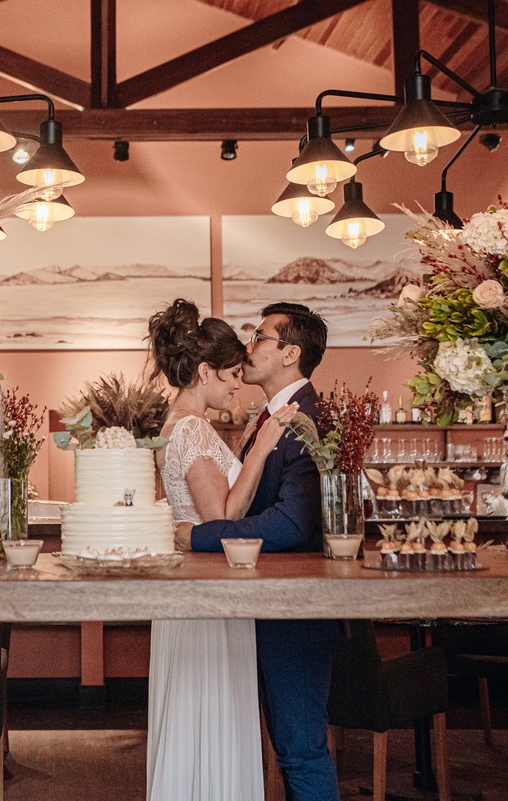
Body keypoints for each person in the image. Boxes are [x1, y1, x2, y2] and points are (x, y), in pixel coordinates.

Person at [175, 302, 343, 801]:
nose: (248, 347)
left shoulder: (307, 420)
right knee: (289, 748)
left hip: (299, 610)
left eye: (260, 337)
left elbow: (292, 523)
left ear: (290, 353)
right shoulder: (270, 419)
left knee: (301, 749)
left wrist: (198, 536)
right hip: (268, 606)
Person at [145, 299, 297, 801]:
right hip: (208, 593)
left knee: (191, 711)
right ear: (204, 371)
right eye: (231, 375)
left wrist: (243, 451)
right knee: (211, 709)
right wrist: (260, 450)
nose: (237, 385)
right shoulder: (193, 428)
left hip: (188, 591)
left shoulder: (174, 424)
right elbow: (222, 520)